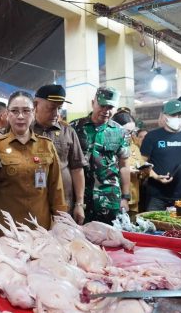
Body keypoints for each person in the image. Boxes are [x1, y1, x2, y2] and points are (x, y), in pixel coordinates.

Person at [0, 91, 66, 230]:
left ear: (33, 113)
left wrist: (61, 220)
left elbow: (56, 187)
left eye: (26, 111)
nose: (20, 116)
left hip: (40, 226)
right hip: (7, 228)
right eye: (15, 111)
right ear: (7, 114)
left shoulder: (46, 145)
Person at [70, 86, 130, 224]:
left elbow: (124, 166)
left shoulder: (120, 132)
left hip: (109, 198)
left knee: (109, 239)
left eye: (110, 107)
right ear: (93, 103)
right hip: (79, 198)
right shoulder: (74, 128)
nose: (106, 111)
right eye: (102, 105)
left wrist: (125, 198)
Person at [32, 84, 87, 223]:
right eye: (51, 108)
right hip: (31, 201)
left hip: (63, 202)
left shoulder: (68, 132)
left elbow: (77, 168)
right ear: (35, 105)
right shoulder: (24, 131)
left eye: (59, 108)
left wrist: (79, 204)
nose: (56, 113)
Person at [140, 99, 181, 211]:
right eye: (173, 115)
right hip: (156, 196)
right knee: (154, 227)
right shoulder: (152, 136)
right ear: (164, 116)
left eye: (180, 115)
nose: (177, 118)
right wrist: (155, 176)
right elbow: (142, 162)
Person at [111, 111, 145, 214]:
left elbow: (141, 164)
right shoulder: (108, 146)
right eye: (127, 131)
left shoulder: (133, 147)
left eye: (132, 132)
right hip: (113, 197)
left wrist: (143, 171)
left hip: (133, 196)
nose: (130, 135)